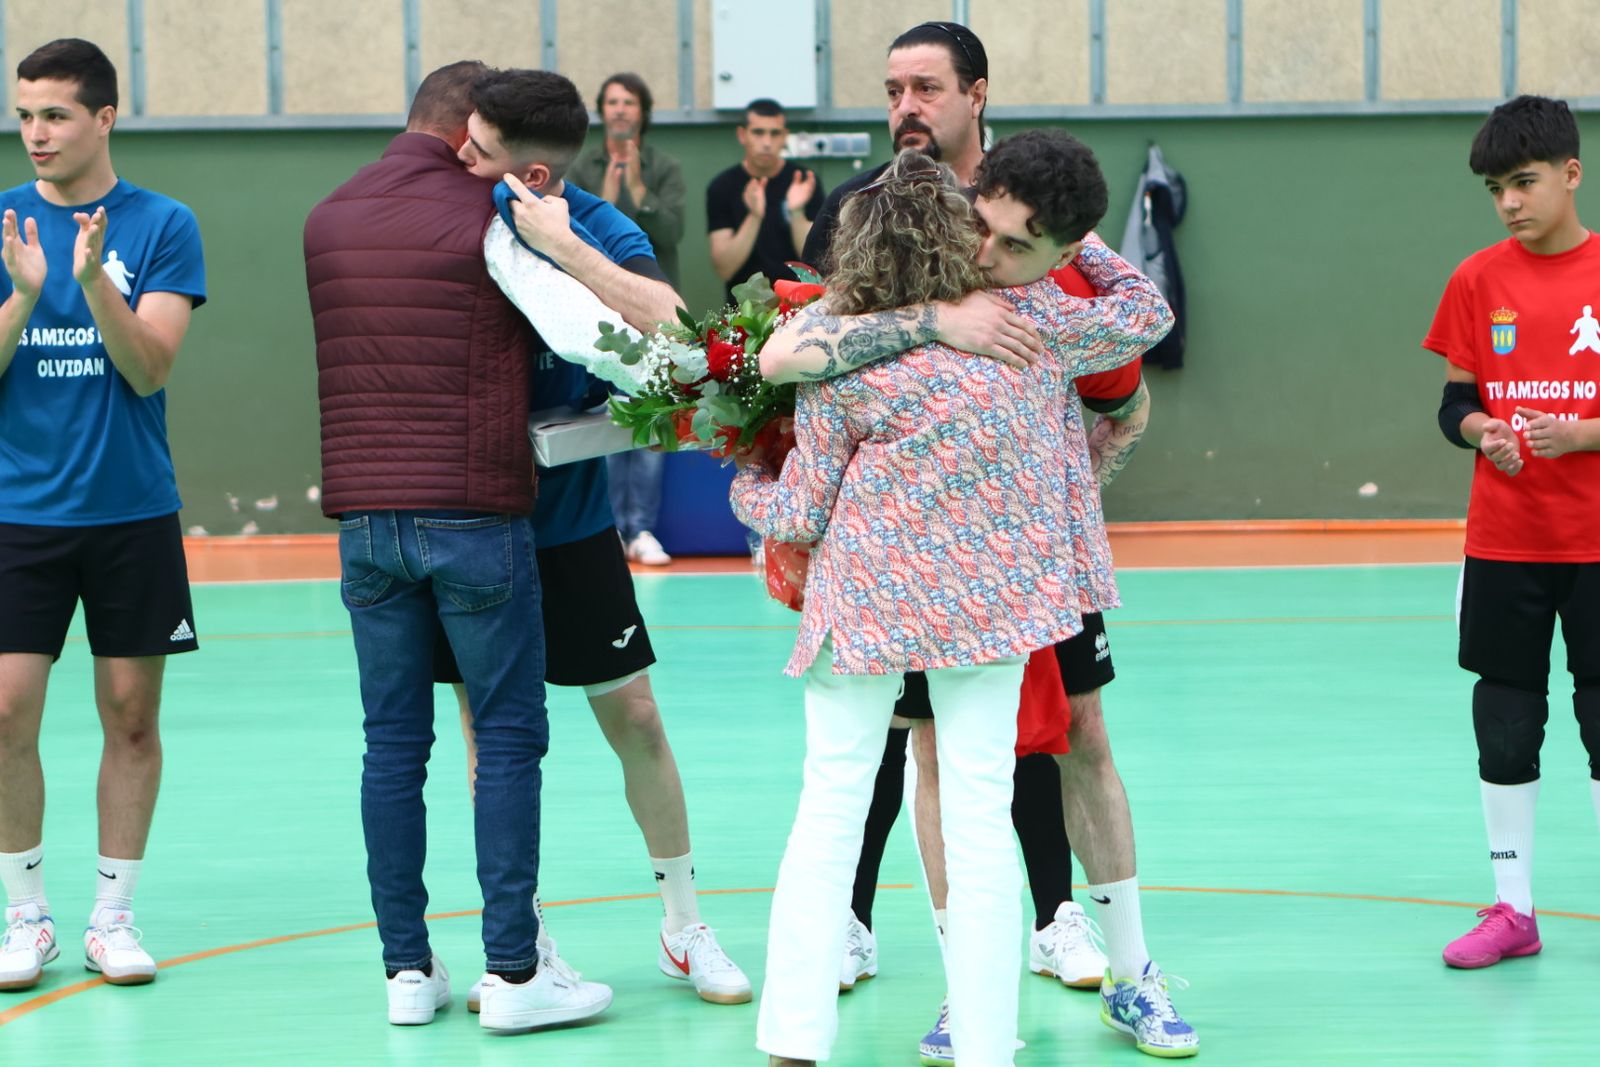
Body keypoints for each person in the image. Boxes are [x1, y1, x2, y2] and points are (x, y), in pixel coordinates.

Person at [783, 21, 1193, 1062]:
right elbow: (795, 350)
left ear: (976, 94)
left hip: (1040, 546)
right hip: (930, 567)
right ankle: (972, 991)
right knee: (938, 756)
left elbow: (1131, 382)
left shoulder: (1062, 279)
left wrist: (1090, 457)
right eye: (890, 89)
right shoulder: (884, 220)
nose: (904, 108)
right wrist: (932, 322)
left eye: (925, 87)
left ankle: (1131, 969)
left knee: (1082, 738)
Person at [303, 60, 613, 1033]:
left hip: (364, 523)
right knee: (510, 738)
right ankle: (515, 972)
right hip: (477, 514)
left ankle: (406, 968)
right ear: (465, 131)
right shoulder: (493, 216)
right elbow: (596, 337)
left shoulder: (329, 217)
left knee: (392, 745)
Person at [449, 66, 751, 1008]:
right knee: (488, 739)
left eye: (481, 149)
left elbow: (678, 330)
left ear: (534, 173)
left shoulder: (597, 224)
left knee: (637, 721)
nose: (460, 158)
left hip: (573, 524)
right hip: (474, 526)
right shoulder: (450, 221)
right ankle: (521, 932)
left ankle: (684, 924)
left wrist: (567, 249)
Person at [0, 38, 205, 993]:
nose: (35, 133)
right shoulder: (1, 223)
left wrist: (89, 285)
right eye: (26, 113)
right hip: (17, 513)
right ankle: (24, 913)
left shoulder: (164, 225)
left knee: (131, 715)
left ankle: (112, 916)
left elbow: (150, 366)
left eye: (55, 115)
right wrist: (25, 296)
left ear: (104, 117)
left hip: (131, 512)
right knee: (5, 711)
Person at [1424, 94, 1600, 969]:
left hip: (1597, 544)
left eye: (1524, 182)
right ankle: (1513, 908)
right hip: (1504, 541)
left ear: (1572, 172)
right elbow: (1456, 400)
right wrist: (1481, 432)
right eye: (1496, 188)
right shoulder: (1476, 279)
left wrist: (1584, 434)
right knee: (1505, 719)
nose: (1509, 203)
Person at [569, 72, 686, 566]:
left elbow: (670, 232)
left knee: (649, 426)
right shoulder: (579, 167)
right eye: (612, 102)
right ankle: (610, 530)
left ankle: (641, 529)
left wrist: (636, 184)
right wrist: (609, 188)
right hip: (596, 313)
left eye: (629, 102)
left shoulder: (665, 167)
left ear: (643, 112)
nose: (619, 110)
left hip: (650, 314)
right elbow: (577, 233)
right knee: (606, 424)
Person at [706, 98, 823, 302]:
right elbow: (724, 268)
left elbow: (815, 261)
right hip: (744, 312)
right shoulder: (722, 187)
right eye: (758, 132)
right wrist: (754, 216)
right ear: (742, 135)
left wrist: (796, 213)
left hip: (798, 306)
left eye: (775, 133)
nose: (767, 143)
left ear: (785, 136)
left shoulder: (804, 180)